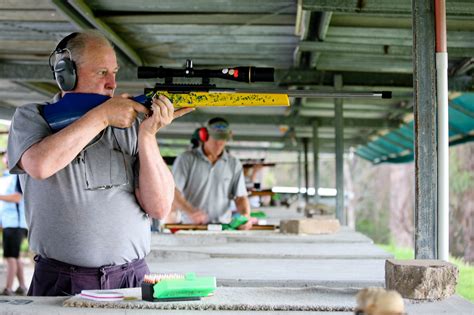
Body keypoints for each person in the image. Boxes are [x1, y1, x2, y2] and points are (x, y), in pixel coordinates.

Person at [7, 31, 193, 296]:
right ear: (66, 74)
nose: (112, 83)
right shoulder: (32, 117)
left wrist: (148, 135)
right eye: (102, 72)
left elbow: (160, 207)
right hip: (61, 281)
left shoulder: (132, 124)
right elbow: (40, 165)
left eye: (114, 72)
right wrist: (102, 116)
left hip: (131, 277)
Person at [166, 117, 252, 229]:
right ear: (204, 136)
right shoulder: (186, 159)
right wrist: (190, 211)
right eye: (216, 139)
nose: (219, 143)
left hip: (223, 227)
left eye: (223, 139)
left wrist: (245, 216)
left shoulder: (234, 164)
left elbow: (240, 197)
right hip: (191, 226)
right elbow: (173, 192)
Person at [0, 154, 28, 296]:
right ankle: (22, 286)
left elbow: (17, 197)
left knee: (10, 257)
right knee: (15, 257)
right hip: (8, 223)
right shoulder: (5, 177)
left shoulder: (18, 176)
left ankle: (8, 288)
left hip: (16, 223)